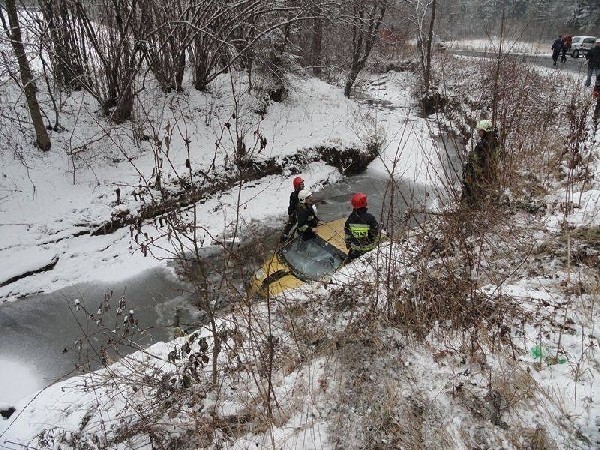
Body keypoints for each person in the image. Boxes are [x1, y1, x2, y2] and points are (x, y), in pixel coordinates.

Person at [461, 119, 498, 205]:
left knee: (469, 189)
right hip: (484, 174)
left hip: (481, 174)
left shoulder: (486, 144)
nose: (478, 133)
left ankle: (468, 207)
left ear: (485, 131)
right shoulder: (492, 141)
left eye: (480, 131)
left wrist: (471, 164)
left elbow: (481, 160)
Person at [344, 192, 380, 260]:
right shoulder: (370, 218)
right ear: (364, 204)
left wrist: (348, 245)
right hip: (369, 249)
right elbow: (375, 233)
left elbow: (347, 236)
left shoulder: (349, 220)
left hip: (355, 251)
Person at [280, 176, 304, 242]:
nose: (303, 186)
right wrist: (292, 214)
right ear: (297, 186)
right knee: (291, 224)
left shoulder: (304, 193)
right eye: (301, 184)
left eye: (303, 184)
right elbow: (292, 206)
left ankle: (293, 237)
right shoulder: (294, 195)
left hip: (302, 214)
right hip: (295, 213)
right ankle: (285, 236)